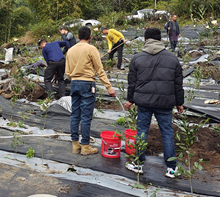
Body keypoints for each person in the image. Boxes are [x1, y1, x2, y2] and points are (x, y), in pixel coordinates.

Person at [124, 27, 184, 178]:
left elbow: (132, 83)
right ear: (160, 39)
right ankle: (171, 168)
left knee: (142, 132)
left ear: (145, 40)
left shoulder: (137, 58)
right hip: (165, 102)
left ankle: (138, 164)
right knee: (167, 133)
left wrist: (130, 100)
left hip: (143, 103)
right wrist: (179, 103)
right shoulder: (172, 58)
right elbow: (178, 84)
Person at [65, 26, 116, 155]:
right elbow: (99, 70)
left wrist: (74, 78)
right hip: (87, 84)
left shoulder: (70, 51)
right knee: (86, 116)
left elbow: (67, 72)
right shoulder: (91, 49)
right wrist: (109, 87)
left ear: (78, 36)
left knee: (75, 114)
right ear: (90, 37)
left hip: (74, 83)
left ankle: (75, 145)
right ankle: (85, 146)